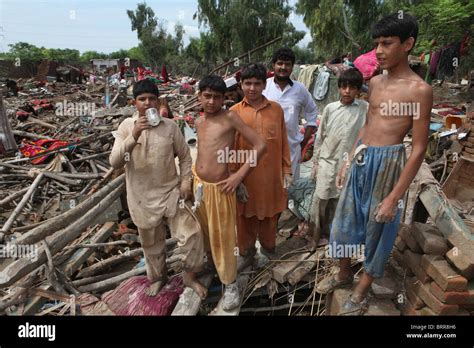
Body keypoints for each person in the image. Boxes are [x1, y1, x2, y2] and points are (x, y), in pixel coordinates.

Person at [315, 13, 432, 315]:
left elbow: (419, 148)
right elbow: (368, 125)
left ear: (408, 44)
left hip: (390, 164)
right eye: (376, 43)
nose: (379, 50)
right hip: (363, 158)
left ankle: (362, 289)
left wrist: (394, 197)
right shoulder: (376, 83)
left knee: (379, 230)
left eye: (387, 43)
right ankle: (342, 273)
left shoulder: (419, 90)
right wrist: (349, 159)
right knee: (342, 224)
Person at [109, 79, 207, 299]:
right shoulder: (126, 126)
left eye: (151, 98)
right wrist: (134, 135)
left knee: (191, 234)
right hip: (141, 197)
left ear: (158, 101)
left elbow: (184, 157)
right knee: (152, 244)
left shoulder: (170, 126)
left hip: (170, 192)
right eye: (142, 99)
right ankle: (158, 278)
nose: (147, 103)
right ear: (134, 103)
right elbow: (115, 161)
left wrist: (185, 183)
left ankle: (190, 276)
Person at [193, 75, 266, 310]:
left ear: (224, 98)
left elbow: (260, 145)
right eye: (207, 96)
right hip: (200, 187)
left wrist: (238, 176)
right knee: (204, 233)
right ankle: (211, 266)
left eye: (217, 97)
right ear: (199, 97)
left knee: (224, 238)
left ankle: (230, 284)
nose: (212, 101)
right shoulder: (198, 122)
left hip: (222, 188)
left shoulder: (230, 117)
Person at [230, 63, 292, 263]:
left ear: (265, 85)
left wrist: (287, 171)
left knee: (270, 217)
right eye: (247, 83)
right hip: (245, 179)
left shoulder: (276, 110)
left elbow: (283, 141)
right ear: (241, 85)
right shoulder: (233, 112)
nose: (252, 88)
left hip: (271, 178)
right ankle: (246, 255)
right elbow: (229, 148)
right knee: (244, 218)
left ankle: (268, 251)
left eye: (257, 83)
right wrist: (235, 180)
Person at [308, 68, 368, 249]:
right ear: (339, 88)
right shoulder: (330, 108)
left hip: (349, 164)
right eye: (344, 87)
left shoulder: (364, 109)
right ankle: (314, 236)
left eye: (352, 88)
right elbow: (320, 136)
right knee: (320, 199)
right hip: (327, 161)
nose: (347, 91)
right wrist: (316, 163)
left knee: (340, 201)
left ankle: (334, 236)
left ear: (359, 90)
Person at [263, 47, 318, 181]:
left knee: (288, 189)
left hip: (291, 150)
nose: (283, 67)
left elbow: (312, 113)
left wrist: (303, 142)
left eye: (287, 64)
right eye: (280, 63)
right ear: (273, 65)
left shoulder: (300, 89)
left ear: (292, 67)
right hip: (265, 149)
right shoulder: (264, 87)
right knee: (266, 188)